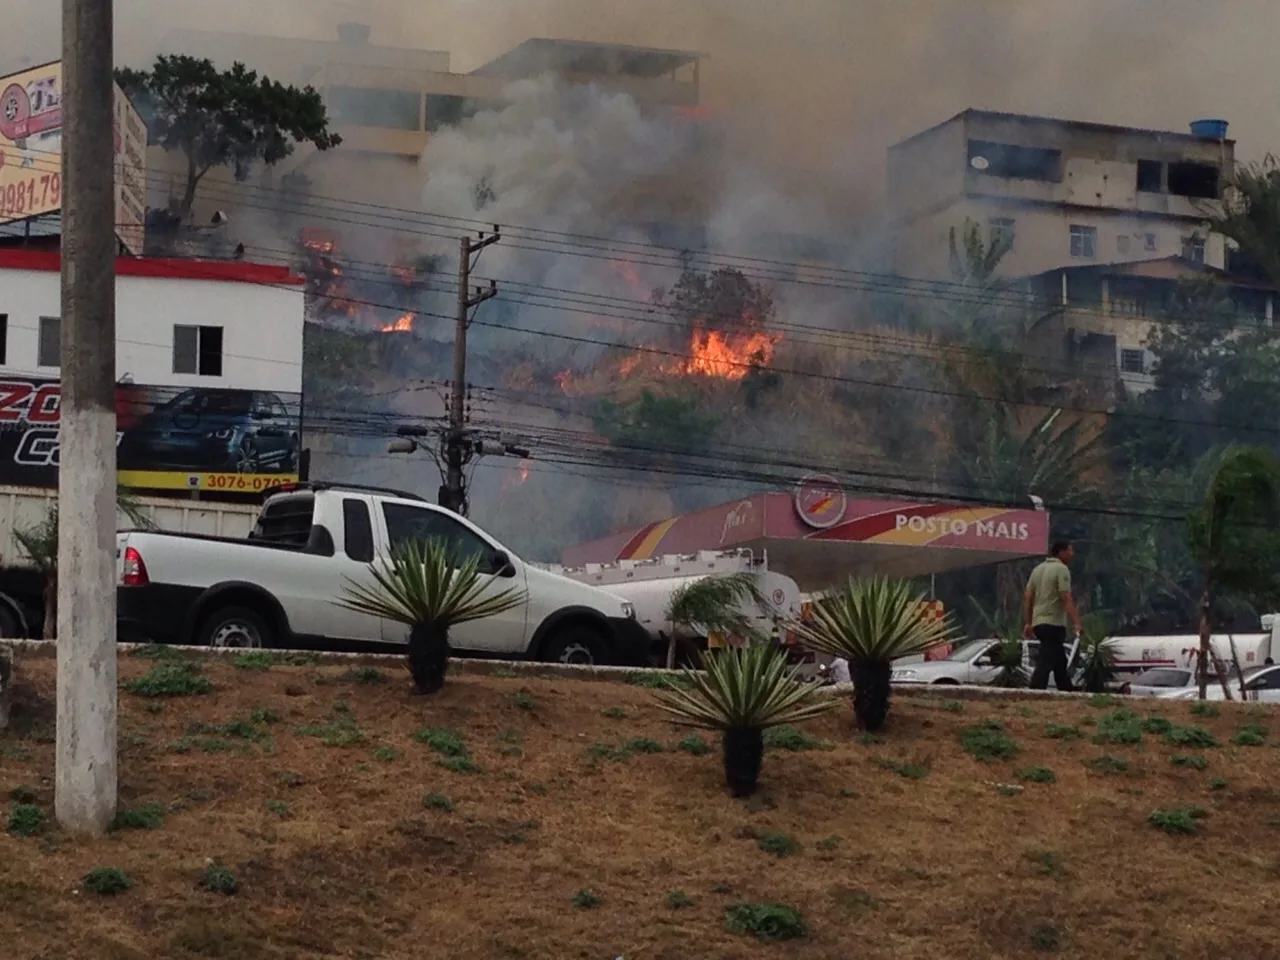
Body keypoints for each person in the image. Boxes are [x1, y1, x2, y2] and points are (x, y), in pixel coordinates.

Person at [1023, 540, 1083, 691]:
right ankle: (1035, 689)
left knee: (1059, 658)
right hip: (1053, 623)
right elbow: (1065, 597)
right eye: (1069, 550)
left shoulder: (1037, 569)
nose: (1072, 554)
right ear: (1061, 552)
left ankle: (1066, 688)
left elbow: (1028, 597)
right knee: (1046, 658)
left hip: (1039, 623)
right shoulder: (1062, 569)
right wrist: (1076, 622)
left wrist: (1029, 622)